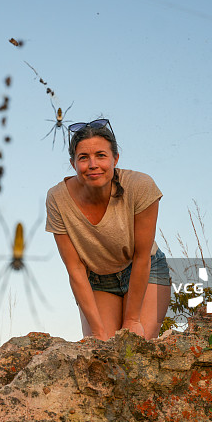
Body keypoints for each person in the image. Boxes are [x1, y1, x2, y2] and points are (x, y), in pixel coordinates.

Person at [45, 118, 170, 340]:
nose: (93, 164)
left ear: (115, 159)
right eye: (83, 158)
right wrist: (97, 331)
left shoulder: (140, 186)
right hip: (98, 279)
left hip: (144, 270)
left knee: (136, 349)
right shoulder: (57, 198)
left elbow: (142, 256)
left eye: (101, 156)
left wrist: (132, 320)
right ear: (73, 163)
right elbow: (75, 268)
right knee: (101, 351)